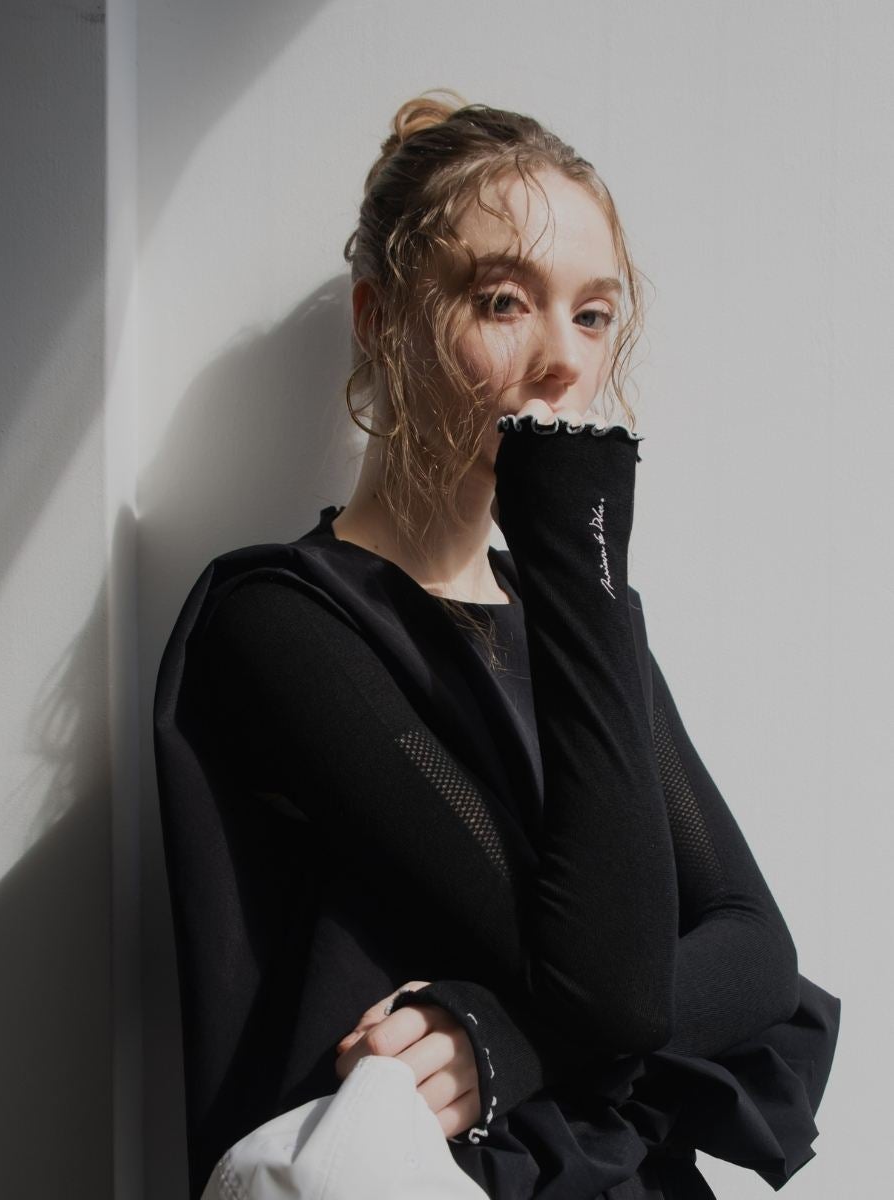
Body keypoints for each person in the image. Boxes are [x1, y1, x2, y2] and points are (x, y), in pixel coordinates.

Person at [153, 92, 841, 1200]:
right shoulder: (280, 621)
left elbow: (756, 945)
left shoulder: (573, 617)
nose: (563, 360)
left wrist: (501, 1041)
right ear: (381, 320)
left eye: (595, 314)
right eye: (505, 301)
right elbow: (615, 985)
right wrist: (578, 547)